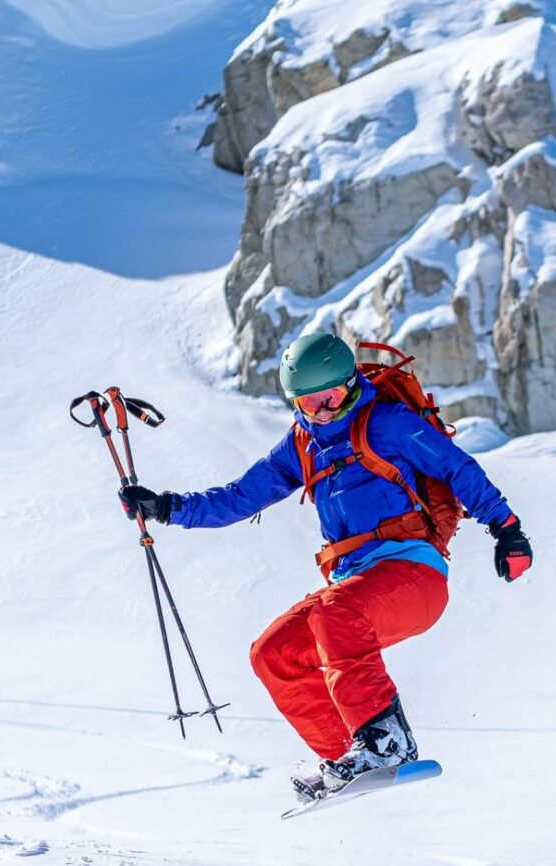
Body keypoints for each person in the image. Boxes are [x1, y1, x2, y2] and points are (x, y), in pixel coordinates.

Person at [117, 332, 532, 801]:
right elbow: (240, 496)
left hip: (413, 575)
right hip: (353, 586)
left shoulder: (389, 423)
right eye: (308, 403)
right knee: (273, 653)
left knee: (333, 611)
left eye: (330, 398)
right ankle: (347, 759)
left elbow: (458, 468)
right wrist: (167, 507)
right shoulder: (302, 443)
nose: (321, 412)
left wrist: (507, 529)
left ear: (351, 384)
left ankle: (386, 744)